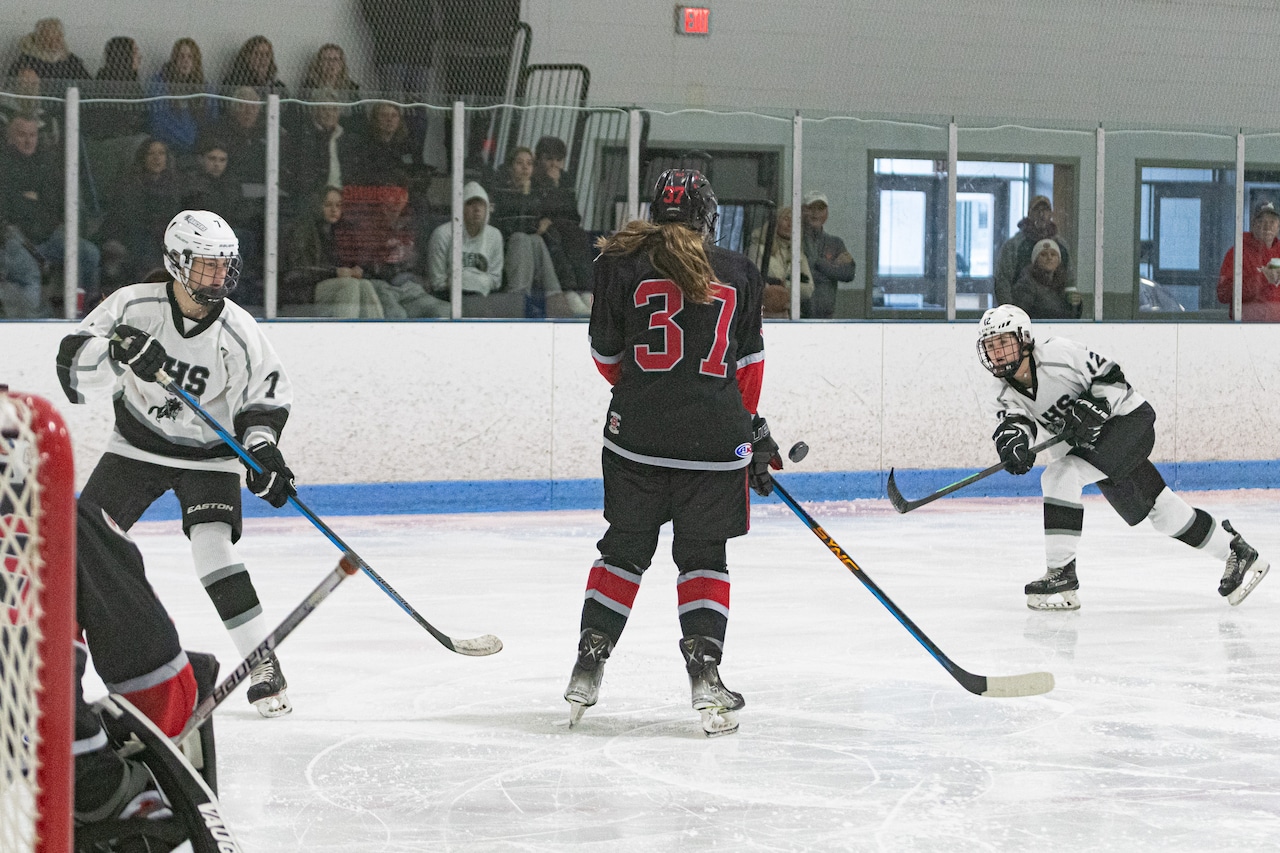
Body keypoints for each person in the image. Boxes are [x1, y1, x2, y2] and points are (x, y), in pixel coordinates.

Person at [55, 210, 296, 717]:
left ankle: (263, 662)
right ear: (176, 262)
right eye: (207, 266)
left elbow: (263, 400)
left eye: (224, 265)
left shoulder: (238, 329)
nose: (219, 277)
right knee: (81, 547)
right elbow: (73, 364)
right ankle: (57, 664)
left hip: (209, 458)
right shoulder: (133, 304)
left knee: (214, 551)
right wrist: (118, 354)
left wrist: (263, 451)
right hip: (136, 447)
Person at [562, 169, 774, 738]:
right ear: (709, 217)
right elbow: (747, 371)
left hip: (635, 437)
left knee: (624, 551)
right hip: (713, 442)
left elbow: (606, 357)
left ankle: (589, 663)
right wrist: (748, 430)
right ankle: (705, 677)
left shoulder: (617, 263)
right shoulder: (740, 271)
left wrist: (646, 393)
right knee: (704, 557)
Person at [975, 304, 1270, 611]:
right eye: (990, 346)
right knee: (1160, 512)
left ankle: (1061, 572)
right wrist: (1014, 446)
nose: (997, 352)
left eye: (1003, 342)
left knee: (1060, 475)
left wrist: (1095, 404)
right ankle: (1236, 551)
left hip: (1128, 423)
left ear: (1024, 339)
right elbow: (1014, 423)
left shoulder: (1058, 354)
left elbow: (1111, 375)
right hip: (1095, 446)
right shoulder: (1002, 391)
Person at [0, 116, 101, 318]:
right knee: (29, 273)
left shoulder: (46, 163)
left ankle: (82, 313)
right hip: (13, 238)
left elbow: (54, 202)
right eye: (21, 135)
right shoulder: (4, 164)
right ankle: (28, 328)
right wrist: (32, 201)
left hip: (47, 235)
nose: (28, 141)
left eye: (33, 135)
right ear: (10, 137)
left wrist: (29, 199)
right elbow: (9, 205)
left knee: (89, 254)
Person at [339, 183, 449, 318]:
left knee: (444, 311)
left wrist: (421, 278)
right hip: (379, 287)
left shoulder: (414, 224)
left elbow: (422, 261)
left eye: (401, 194)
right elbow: (360, 266)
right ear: (381, 196)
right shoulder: (366, 226)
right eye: (391, 194)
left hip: (410, 288)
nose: (397, 200)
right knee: (396, 317)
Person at [284, 186, 386, 317]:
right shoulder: (303, 230)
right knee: (349, 285)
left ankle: (377, 331)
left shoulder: (340, 230)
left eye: (338, 205)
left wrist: (357, 269)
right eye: (328, 205)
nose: (334, 210)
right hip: (306, 291)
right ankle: (346, 332)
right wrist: (335, 272)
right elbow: (300, 270)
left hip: (332, 285)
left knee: (365, 284)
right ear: (318, 205)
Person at [488, 146, 569, 309]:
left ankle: (554, 296)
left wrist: (546, 220)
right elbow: (517, 226)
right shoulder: (500, 191)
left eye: (529, 163)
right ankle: (518, 297)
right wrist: (524, 195)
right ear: (510, 167)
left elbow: (537, 224)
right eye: (519, 163)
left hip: (530, 246)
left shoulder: (536, 193)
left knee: (535, 239)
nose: (525, 167)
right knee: (522, 238)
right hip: (507, 245)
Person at [97, 138, 185, 286]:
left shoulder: (176, 186)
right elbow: (126, 219)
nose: (157, 158)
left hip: (164, 238)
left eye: (161, 153)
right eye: (151, 153)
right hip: (131, 237)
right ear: (143, 157)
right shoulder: (128, 184)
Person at [532, 135, 593, 314]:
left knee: (578, 235)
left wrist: (557, 185)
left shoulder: (565, 180)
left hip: (564, 226)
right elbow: (541, 209)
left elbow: (573, 214)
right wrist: (551, 184)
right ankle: (568, 290)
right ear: (539, 159)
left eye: (558, 160)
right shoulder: (534, 179)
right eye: (549, 159)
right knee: (554, 236)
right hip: (544, 228)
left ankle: (586, 290)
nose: (554, 165)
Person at [426, 181, 503, 299]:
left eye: (481, 204)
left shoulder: (495, 235)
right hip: (447, 299)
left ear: (487, 208)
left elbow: (496, 280)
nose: (477, 209)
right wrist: (465, 282)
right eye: (470, 203)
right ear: (460, 207)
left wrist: (476, 283)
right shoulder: (442, 234)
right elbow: (437, 281)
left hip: (484, 298)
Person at [146, 38, 219, 162]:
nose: (185, 61)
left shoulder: (206, 89)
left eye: (190, 57)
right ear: (174, 59)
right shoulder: (159, 84)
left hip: (198, 150)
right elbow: (159, 121)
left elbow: (212, 122)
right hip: (168, 148)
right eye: (181, 56)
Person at [994, 195, 1071, 307]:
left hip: (1055, 315)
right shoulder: (1014, 246)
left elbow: (1070, 280)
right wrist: (1010, 313)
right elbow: (1003, 281)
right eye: (1037, 210)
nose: (1042, 215)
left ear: (1051, 214)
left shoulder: (1062, 246)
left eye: (1045, 210)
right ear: (1029, 214)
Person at [1217, 200, 1280, 321]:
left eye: (1272, 222)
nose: (1267, 226)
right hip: (1247, 331)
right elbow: (1223, 294)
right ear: (1253, 224)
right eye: (1262, 221)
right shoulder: (1237, 252)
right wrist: (1262, 277)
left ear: (1278, 226)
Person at [748, 205, 813, 319]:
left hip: (789, 316)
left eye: (794, 221)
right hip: (762, 315)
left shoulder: (799, 255)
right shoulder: (759, 249)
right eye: (786, 219)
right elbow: (754, 281)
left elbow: (808, 289)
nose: (790, 225)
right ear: (776, 222)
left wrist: (784, 286)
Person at [799, 190, 855, 318]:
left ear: (827, 213)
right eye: (811, 208)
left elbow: (849, 274)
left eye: (820, 209)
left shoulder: (835, 242)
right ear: (802, 211)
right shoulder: (793, 240)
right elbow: (800, 274)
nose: (815, 213)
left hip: (826, 317)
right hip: (797, 316)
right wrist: (830, 267)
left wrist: (817, 265)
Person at [83, 36, 147, 140]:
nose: (139, 57)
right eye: (135, 52)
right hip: (112, 138)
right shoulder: (107, 84)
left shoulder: (132, 81)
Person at [1011, 238, 1082, 319]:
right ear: (1035, 260)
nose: (1049, 258)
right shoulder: (1026, 284)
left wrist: (1076, 305)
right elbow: (1021, 315)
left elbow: (1072, 317)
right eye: (1044, 254)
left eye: (1053, 254)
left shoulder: (1064, 283)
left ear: (1059, 260)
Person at [7, 18, 90, 86]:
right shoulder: (26, 61)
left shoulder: (72, 61)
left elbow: (89, 84)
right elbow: (10, 85)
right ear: (39, 40)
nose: (55, 43)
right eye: (49, 38)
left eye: (58, 38)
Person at [222, 35, 289, 97]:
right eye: (257, 54)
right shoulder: (234, 82)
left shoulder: (278, 86)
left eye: (267, 54)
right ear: (247, 57)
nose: (263, 58)